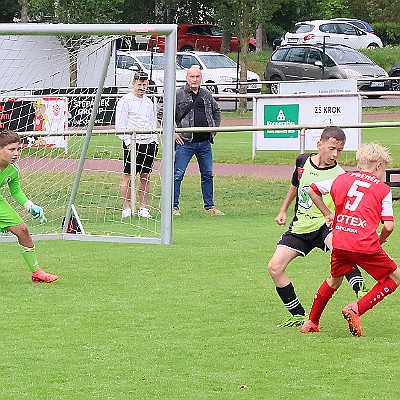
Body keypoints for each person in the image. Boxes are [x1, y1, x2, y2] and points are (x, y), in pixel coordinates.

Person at [267, 127, 367, 328]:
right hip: (301, 227)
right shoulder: (302, 161)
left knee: (340, 248)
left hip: (325, 226)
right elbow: (295, 186)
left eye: (339, 150)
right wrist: (283, 210)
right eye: (331, 149)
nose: (335, 155)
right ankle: (298, 315)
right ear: (319, 145)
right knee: (275, 267)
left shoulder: (340, 175)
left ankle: (360, 288)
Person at [301, 142, 400, 336]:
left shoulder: (341, 179)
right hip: (364, 243)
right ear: (379, 166)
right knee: (395, 278)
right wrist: (380, 239)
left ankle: (311, 322)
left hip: (340, 240)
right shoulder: (382, 188)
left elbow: (311, 189)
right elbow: (389, 225)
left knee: (334, 281)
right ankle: (356, 308)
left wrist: (328, 214)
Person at [160, 65, 223, 216]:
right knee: (177, 175)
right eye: (192, 77)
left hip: (205, 143)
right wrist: (173, 132)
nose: (195, 80)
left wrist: (213, 130)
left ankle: (210, 207)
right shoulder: (178, 94)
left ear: (201, 78)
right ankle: (173, 207)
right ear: (187, 78)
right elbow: (163, 113)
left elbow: (217, 111)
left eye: (197, 77)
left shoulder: (206, 94)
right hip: (185, 143)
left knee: (207, 174)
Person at [0, 129, 58, 283]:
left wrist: (30, 206)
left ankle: (36, 272)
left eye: (18, 149)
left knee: (23, 230)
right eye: (11, 149)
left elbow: (16, 191)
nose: (16, 153)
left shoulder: (13, 169)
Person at [116, 71, 158, 219]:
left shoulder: (149, 101)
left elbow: (153, 122)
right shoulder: (125, 101)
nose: (142, 87)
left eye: (144, 84)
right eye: (139, 84)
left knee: (145, 176)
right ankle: (126, 207)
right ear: (133, 84)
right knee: (128, 176)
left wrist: (155, 141)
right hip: (133, 144)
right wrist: (128, 142)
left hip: (149, 143)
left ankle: (143, 208)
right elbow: (120, 125)